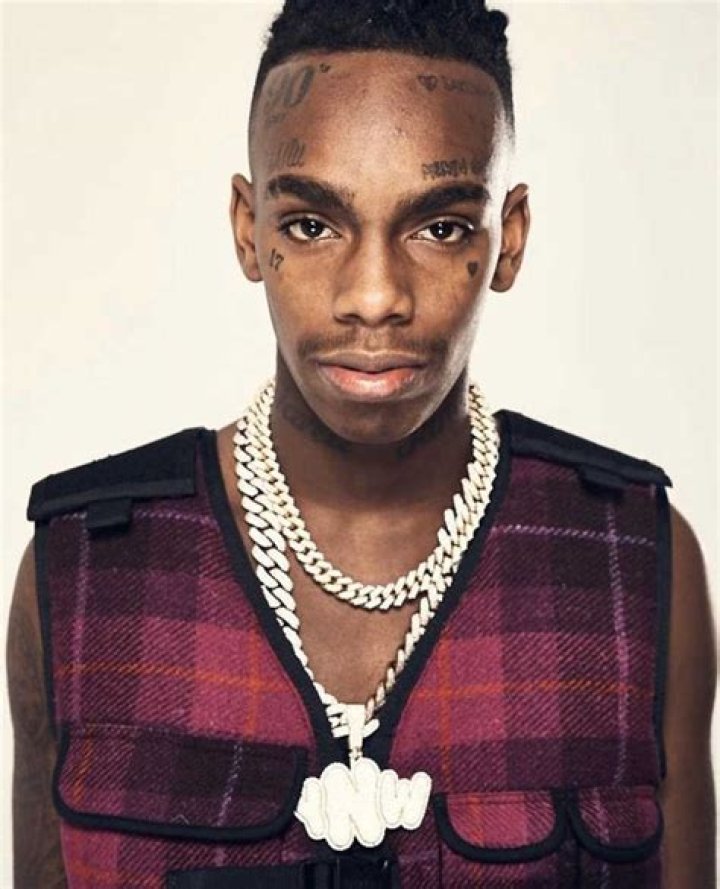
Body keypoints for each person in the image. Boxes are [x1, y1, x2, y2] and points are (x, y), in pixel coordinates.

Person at [7, 0, 715, 886]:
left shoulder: (634, 559)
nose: (374, 296)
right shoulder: (82, 571)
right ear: (249, 228)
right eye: (312, 225)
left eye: (439, 226)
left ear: (509, 239)